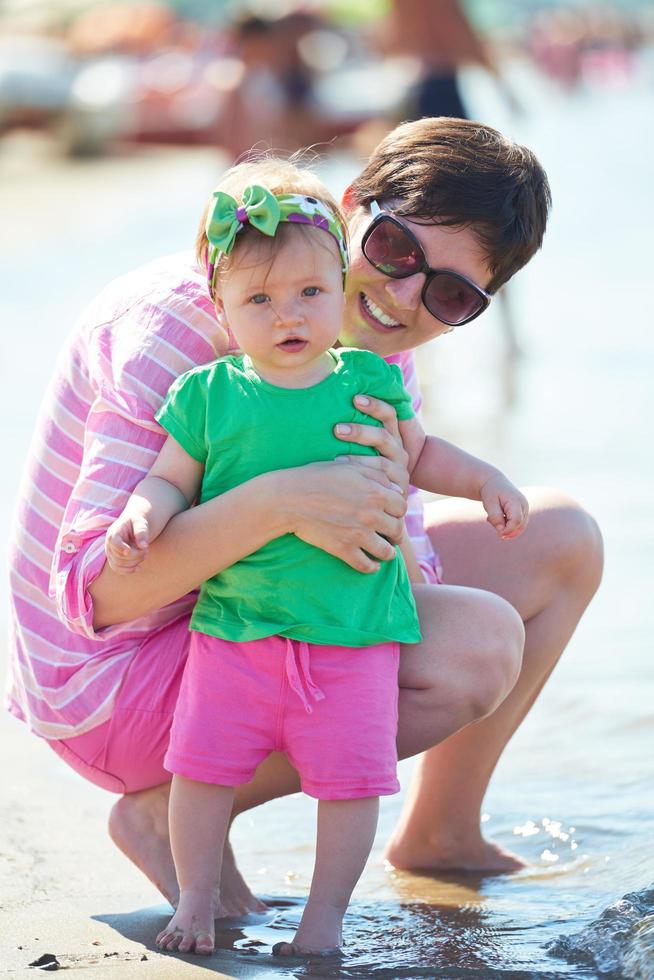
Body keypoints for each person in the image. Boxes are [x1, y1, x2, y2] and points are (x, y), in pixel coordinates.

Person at [6, 117, 602, 921]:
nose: (401, 300)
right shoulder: (175, 328)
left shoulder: (362, 349)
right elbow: (98, 598)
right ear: (354, 206)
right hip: (106, 682)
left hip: (239, 611)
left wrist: (394, 520)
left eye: (450, 293)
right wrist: (285, 499)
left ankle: (440, 835)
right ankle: (167, 809)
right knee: (476, 646)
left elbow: (405, 560)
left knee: (563, 542)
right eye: (394, 251)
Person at [102, 164, 528, 955]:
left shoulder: (367, 377)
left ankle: (323, 917)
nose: (287, 315)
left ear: (337, 286)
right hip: (235, 630)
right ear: (224, 307)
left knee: (352, 780)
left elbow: (423, 454)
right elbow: (169, 478)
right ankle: (194, 899)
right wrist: (140, 512)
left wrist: (487, 482)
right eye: (258, 300)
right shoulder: (210, 393)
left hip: (353, 635)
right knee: (201, 771)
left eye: (307, 294)